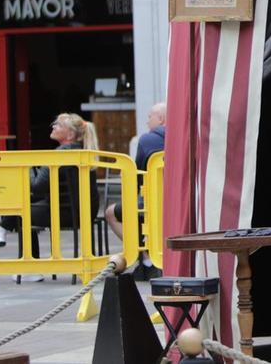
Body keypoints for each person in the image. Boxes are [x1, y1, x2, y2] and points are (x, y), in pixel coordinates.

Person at [15, 112, 99, 283]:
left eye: (58, 125)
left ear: (70, 134)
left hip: (63, 213)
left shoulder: (59, 154)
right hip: (85, 212)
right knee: (27, 204)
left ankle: (32, 269)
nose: (53, 126)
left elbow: (37, 186)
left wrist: (28, 168)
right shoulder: (84, 152)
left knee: (21, 213)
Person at [106, 102, 165, 280]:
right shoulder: (184, 135)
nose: (147, 122)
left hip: (151, 201)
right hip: (181, 202)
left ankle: (147, 257)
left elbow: (137, 176)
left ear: (161, 119)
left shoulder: (148, 140)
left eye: (150, 117)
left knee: (112, 212)